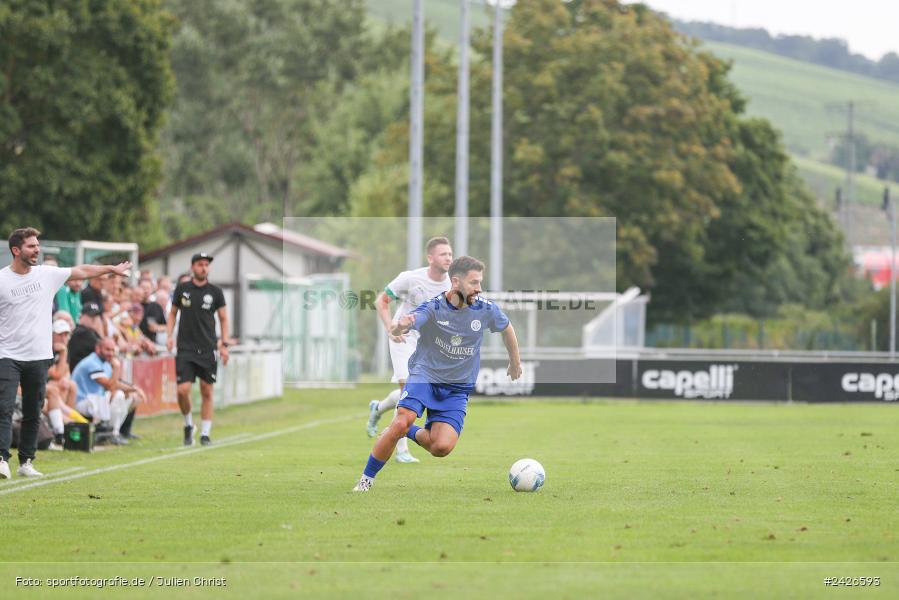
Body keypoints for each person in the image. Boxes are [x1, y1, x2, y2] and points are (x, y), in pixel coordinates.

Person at [352, 256, 522, 492]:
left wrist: (515, 362)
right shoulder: (433, 307)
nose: (479, 288)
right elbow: (405, 324)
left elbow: (507, 329)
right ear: (455, 282)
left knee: (440, 448)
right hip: (426, 376)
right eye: (474, 282)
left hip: (456, 388)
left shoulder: (486, 309)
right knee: (403, 419)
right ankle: (365, 481)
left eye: (480, 282)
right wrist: (400, 325)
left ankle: (401, 431)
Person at [0, 227, 131, 478]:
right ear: (16, 250)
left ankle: (26, 461)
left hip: (38, 355)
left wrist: (111, 269)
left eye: (38, 245)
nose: (37, 249)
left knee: (33, 410)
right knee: (3, 408)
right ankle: (1, 458)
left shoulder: (46, 274)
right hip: (7, 355)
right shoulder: (2, 280)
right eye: (31, 246)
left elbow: (81, 271)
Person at [365, 237, 453, 463]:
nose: (448, 258)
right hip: (404, 338)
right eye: (443, 254)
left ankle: (378, 407)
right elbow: (381, 301)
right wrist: (389, 329)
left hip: (429, 345)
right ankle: (401, 450)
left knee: (414, 392)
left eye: (450, 254)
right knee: (409, 392)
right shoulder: (411, 278)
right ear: (430, 258)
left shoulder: (451, 285)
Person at [166, 253, 229, 446]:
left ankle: (205, 433)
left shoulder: (215, 292)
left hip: (208, 348)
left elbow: (224, 318)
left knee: (207, 390)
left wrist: (224, 344)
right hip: (185, 348)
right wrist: (169, 336)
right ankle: (188, 425)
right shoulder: (183, 289)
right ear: (193, 267)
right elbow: (173, 313)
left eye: (206, 265)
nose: (204, 268)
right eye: (200, 264)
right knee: (182, 390)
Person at [71, 338, 146, 445]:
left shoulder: (104, 362)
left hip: (94, 400)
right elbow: (110, 386)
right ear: (98, 349)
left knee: (131, 397)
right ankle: (113, 434)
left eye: (112, 350)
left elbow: (114, 383)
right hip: (82, 401)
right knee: (118, 395)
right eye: (107, 350)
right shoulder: (91, 362)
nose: (110, 353)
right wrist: (116, 368)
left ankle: (114, 431)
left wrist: (134, 389)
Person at [67, 302, 104, 371]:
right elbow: (105, 347)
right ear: (81, 316)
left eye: (96, 316)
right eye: (91, 316)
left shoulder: (91, 331)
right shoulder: (81, 332)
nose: (94, 319)